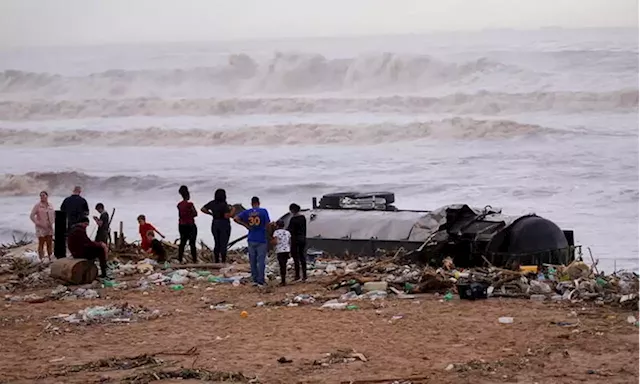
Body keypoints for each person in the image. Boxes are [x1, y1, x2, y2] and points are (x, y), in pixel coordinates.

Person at [234, 196, 270, 286]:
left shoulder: (247, 212)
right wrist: (270, 235)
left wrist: (245, 225)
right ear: (259, 203)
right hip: (261, 238)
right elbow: (268, 224)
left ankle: (254, 278)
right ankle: (260, 280)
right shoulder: (263, 211)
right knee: (261, 261)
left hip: (251, 238)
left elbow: (236, 218)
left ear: (251, 203)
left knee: (252, 260)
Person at [201, 188, 235, 263]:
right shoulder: (224, 204)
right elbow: (227, 216)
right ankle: (223, 261)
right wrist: (233, 210)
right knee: (224, 243)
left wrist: (211, 214)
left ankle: (216, 260)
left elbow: (203, 209)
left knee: (217, 242)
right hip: (224, 224)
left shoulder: (212, 203)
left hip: (215, 223)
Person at [29, 191, 55, 261]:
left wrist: (52, 222)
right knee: (41, 242)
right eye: (41, 196)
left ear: (47, 196)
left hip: (49, 227)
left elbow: (53, 214)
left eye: (43, 195)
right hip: (40, 227)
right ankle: (41, 258)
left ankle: (50, 257)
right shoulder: (37, 205)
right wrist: (38, 223)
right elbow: (31, 216)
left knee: (49, 242)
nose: (42, 197)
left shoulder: (50, 205)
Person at [177, 185, 198, 263]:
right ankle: (194, 260)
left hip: (182, 225)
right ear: (188, 195)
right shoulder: (190, 204)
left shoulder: (179, 205)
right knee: (192, 243)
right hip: (190, 224)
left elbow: (180, 215)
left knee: (182, 242)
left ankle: (180, 259)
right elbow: (195, 213)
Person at [287, 203, 307, 281]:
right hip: (303, 239)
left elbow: (290, 230)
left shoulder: (293, 219)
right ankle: (304, 275)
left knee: (295, 257)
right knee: (302, 257)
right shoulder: (303, 217)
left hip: (295, 240)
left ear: (292, 210)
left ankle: (297, 275)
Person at [271, 220, 291, 286]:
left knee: (281, 265)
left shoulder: (276, 232)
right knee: (284, 265)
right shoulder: (287, 232)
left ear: (277, 225)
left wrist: (272, 242)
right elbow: (289, 241)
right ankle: (284, 280)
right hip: (287, 250)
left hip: (280, 250)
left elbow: (275, 242)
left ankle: (283, 281)